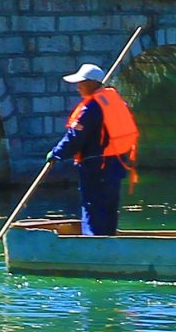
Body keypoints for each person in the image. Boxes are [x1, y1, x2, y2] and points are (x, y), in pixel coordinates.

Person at [48, 62, 139, 236]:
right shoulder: (114, 102)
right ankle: (109, 244)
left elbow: (74, 137)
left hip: (96, 168)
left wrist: (56, 153)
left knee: (93, 208)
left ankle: (94, 248)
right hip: (115, 166)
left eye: (81, 83)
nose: (78, 87)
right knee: (109, 208)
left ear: (92, 83)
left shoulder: (90, 108)